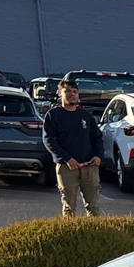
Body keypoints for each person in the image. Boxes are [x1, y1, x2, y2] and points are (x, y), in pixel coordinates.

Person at [42, 79, 103, 217]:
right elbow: (48, 140)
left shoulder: (86, 116)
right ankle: (71, 234)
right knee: (69, 207)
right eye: (67, 91)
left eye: (75, 92)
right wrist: (67, 159)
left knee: (93, 207)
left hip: (89, 166)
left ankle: (94, 234)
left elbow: (97, 138)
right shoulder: (53, 115)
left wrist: (98, 156)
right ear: (59, 93)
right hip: (67, 167)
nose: (72, 95)